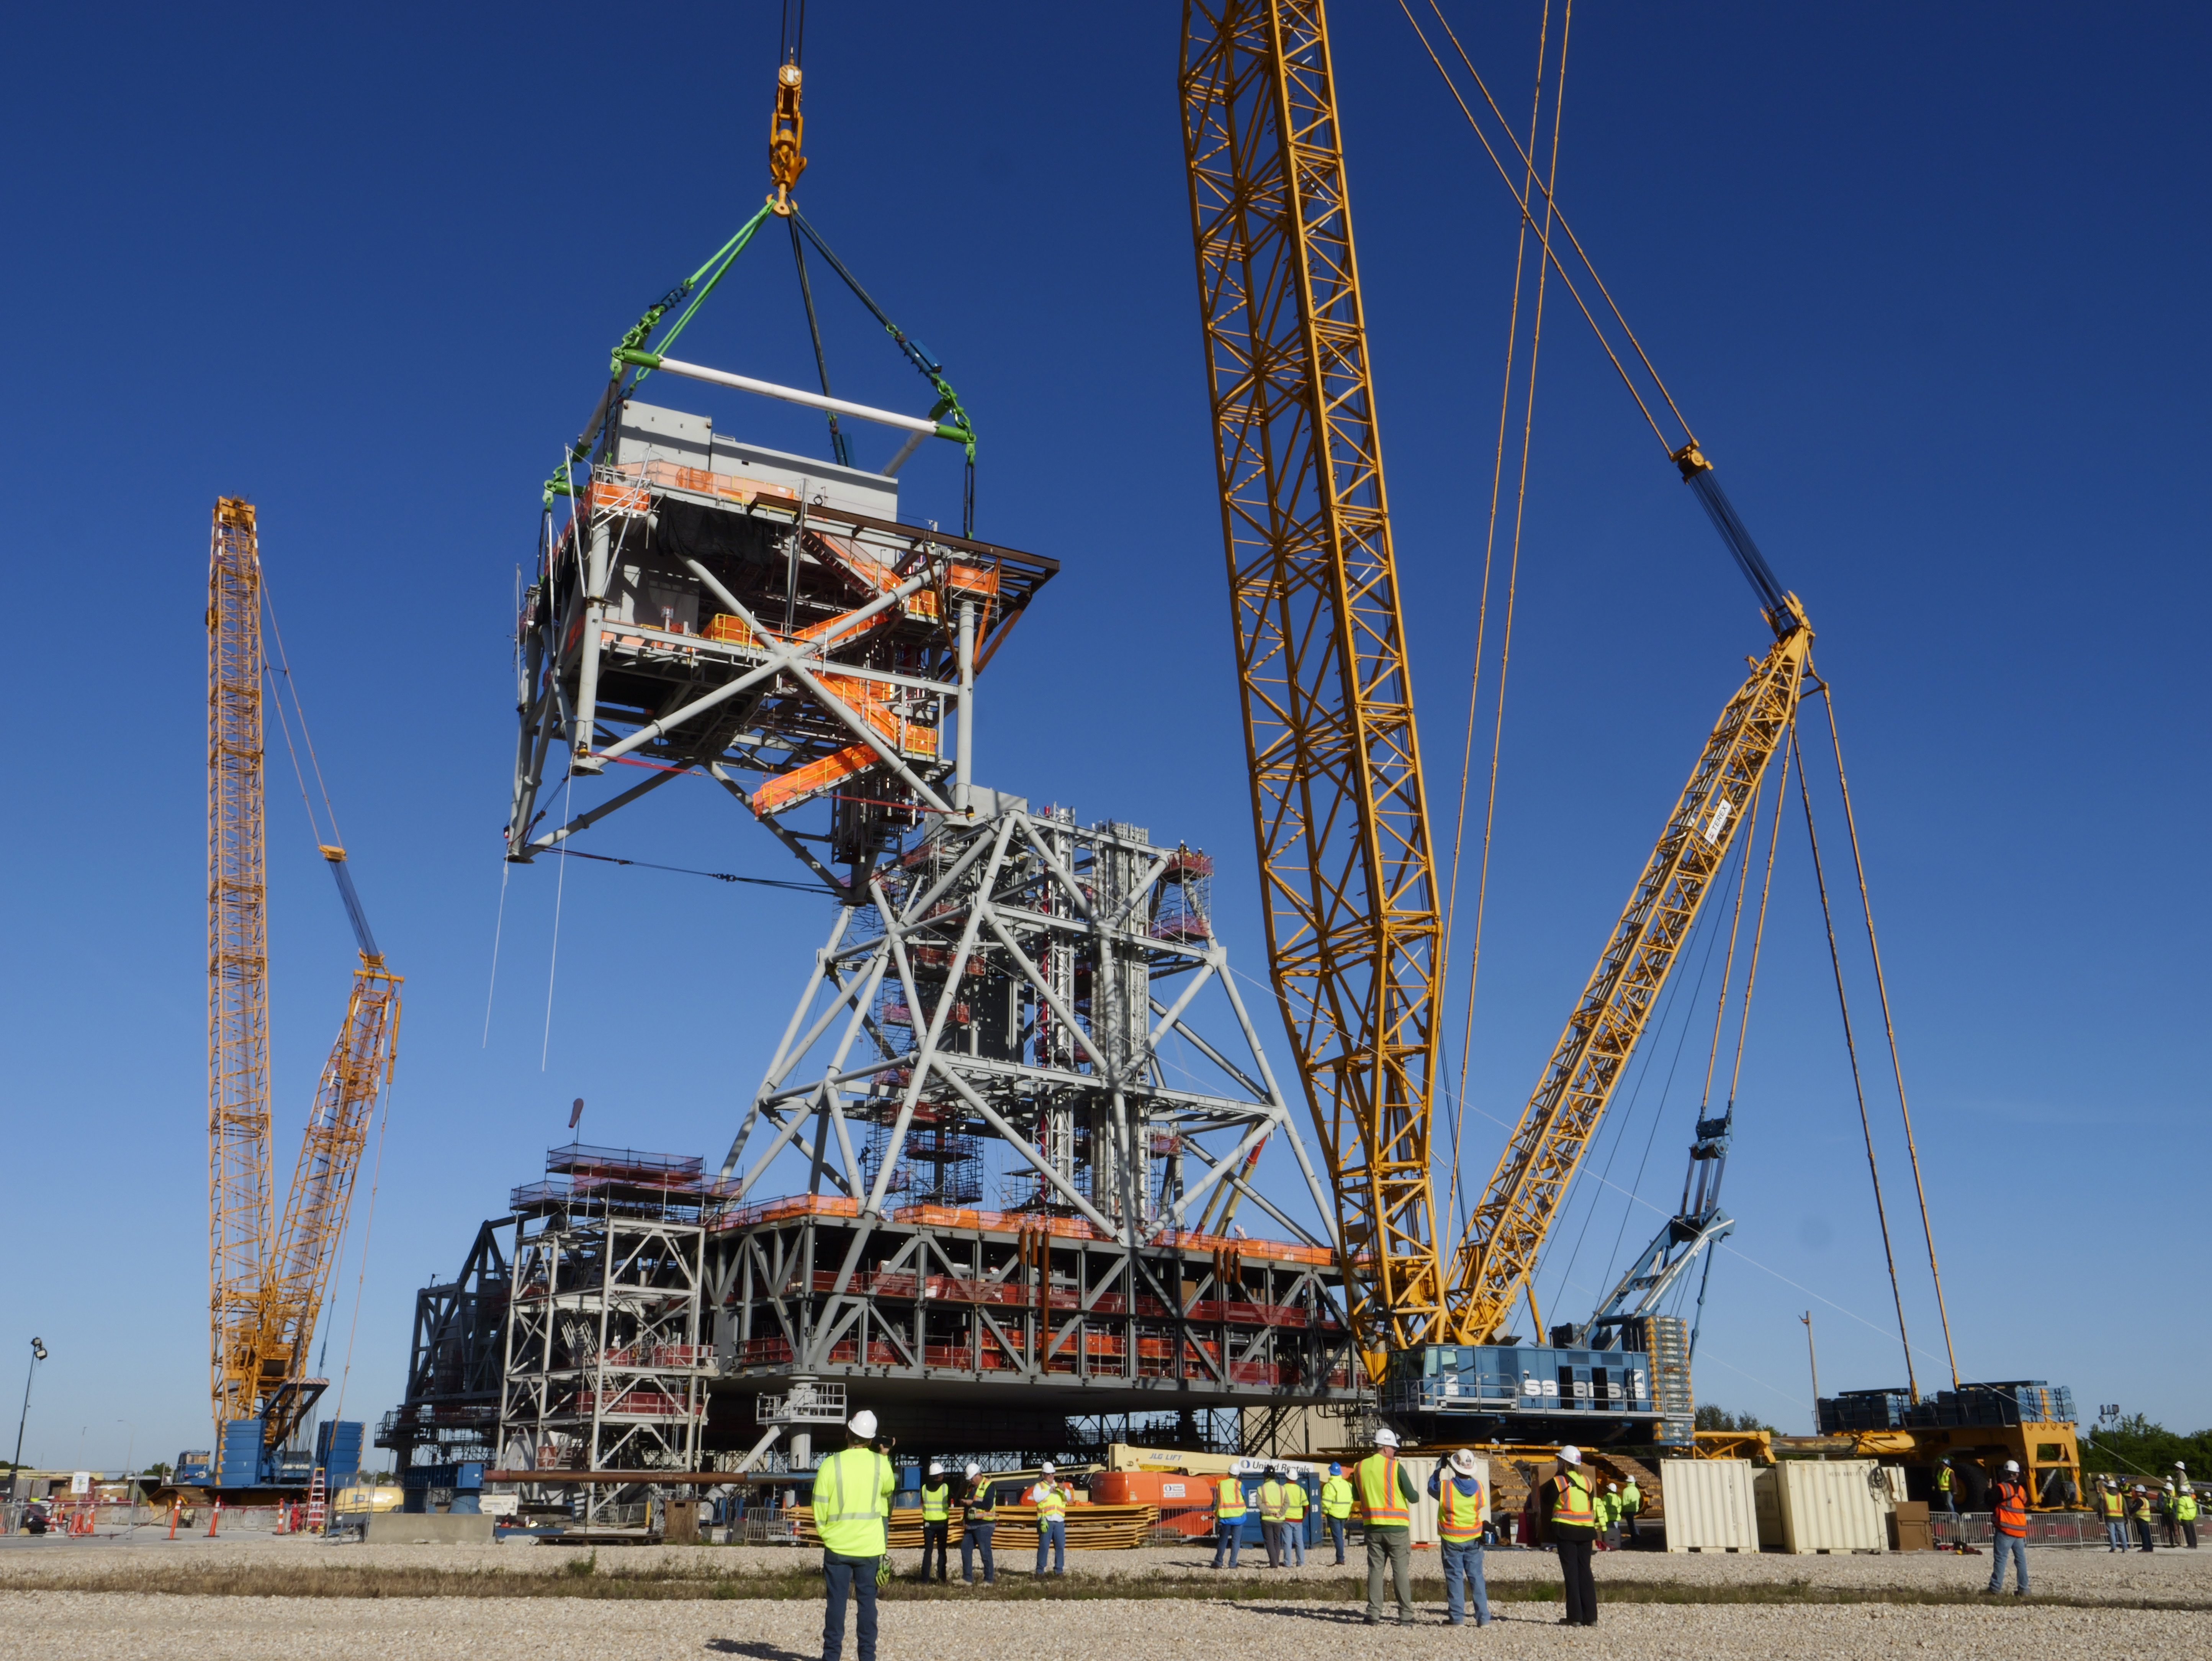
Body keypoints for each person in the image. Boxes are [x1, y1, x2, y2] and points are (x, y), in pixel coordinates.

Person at [815, 1409, 895, 1661]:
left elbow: (819, 1506)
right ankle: (867, 1656)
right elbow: (889, 1489)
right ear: (871, 1440)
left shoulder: (830, 1464)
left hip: (837, 1547)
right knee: (867, 1604)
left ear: (848, 1432)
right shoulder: (880, 1464)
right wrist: (884, 1456)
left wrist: (828, 1536)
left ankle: (831, 1657)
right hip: (869, 1548)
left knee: (836, 1604)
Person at [1356, 1428, 1422, 1627]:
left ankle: (1373, 1615)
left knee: (1375, 1570)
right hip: (1397, 1528)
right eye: (1393, 1448)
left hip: (1372, 1527)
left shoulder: (1359, 1467)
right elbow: (1413, 1497)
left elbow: (1355, 1495)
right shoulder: (1395, 1468)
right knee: (1400, 1571)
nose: (1395, 1452)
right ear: (1385, 1448)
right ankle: (1406, 1616)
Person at [1428, 1449, 1490, 1627]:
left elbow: (1431, 1487)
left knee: (1455, 1577)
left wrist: (1438, 1470)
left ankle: (1457, 1618)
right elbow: (1480, 1505)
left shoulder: (1446, 1487)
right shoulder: (1479, 1487)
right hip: (1473, 1539)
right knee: (1477, 1577)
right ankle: (1484, 1618)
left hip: (1452, 1540)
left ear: (1454, 1468)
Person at [1541, 1445, 1600, 1628]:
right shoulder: (1588, 1482)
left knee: (1571, 1574)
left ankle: (1575, 1617)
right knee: (1585, 1572)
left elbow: (1545, 1499)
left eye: (1560, 1460)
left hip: (1566, 1531)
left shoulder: (1558, 1482)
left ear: (1564, 1463)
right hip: (1586, 1531)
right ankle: (1591, 1617)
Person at [1986, 1460, 2030, 1595]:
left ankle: (1995, 1588)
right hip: (2020, 1531)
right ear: (2017, 1474)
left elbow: (1990, 1501)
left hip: (2005, 1530)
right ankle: (2024, 1589)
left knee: (2001, 1559)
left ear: (2005, 1473)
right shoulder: (2022, 1491)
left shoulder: (2001, 1488)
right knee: (2021, 1560)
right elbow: (2026, 1502)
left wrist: (1989, 1490)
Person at [958, 1463, 996, 1585]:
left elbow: (988, 1505)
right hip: (972, 1525)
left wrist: (971, 1503)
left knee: (985, 1552)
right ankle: (967, 1578)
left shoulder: (989, 1486)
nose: (971, 1481)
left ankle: (989, 1580)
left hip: (985, 1524)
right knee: (965, 1548)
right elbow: (968, 1506)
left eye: (971, 1479)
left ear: (978, 1475)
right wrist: (965, 1521)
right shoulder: (971, 1488)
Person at [1029, 1462, 1068, 1576]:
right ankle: (1040, 1571)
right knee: (1044, 1546)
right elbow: (1037, 1498)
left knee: (1060, 1546)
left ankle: (1059, 1570)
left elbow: (1069, 1498)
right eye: (1049, 1474)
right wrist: (1049, 1492)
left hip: (1059, 1521)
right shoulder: (1039, 1487)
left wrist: (1064, 1490)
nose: (1052, 1476)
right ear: (1043, 1475)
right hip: (1045, 1521)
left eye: (1053, 1474)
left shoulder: (1059, 1487)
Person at [918, 1462, 951, 1582]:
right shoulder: (945, 1488)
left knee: (928, 1551)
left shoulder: (924, 1488)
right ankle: (942, 1578)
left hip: (928, 1524)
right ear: (940, 1475)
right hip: (942, 1524)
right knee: (942, 1551)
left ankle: (925, 1579)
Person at [1211, 1468, 1248, 1569]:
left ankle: (1219, 1562)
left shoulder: (1221, 1484)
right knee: (1236, 1542)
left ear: (1229, 1473)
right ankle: (1233, 1563)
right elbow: (1243, 1496)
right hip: (1239, 1517)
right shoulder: (1240, 1485)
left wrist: (1216, 1512)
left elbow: (1219, 1500)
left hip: (1225, 1517)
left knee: (1223, 1541)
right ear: (1238, 1475)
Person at [1320, 1463, 1354, 1565]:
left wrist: (1325, 1512)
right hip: (1344, 1514)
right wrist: (1347, 1512)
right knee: (1340, 1536)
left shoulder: (1329, 1486)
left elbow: (1326, 1503)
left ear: (1331, 1472)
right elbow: (1351, 1500)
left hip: (1334, 1514)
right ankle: (1340, 1557)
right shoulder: (1348, 1485)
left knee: (1338, 1537)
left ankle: (1340, 1559)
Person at [1258, 1466, 1289, 1568]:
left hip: (1267, 1519)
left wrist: (1268, 1512)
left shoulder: (1261, 1489)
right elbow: (1287, 1503)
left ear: (1265, 1476)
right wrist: (1281, 1513)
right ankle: (1275, 1561)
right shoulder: (1282, 1489)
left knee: (1269, 1542)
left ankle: (1274, 1563)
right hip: (1279, 1520)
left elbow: (1259, 1504)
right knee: (1277, 1541)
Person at [1281, 1469, 1309, 1566]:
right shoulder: (1301, 1490)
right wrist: (1303, 1517)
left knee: (1287, 1542)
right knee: (1299, 1542)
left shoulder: (1283, 1489)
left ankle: (1288, 1563)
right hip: (1298, 1519)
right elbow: (1306, 1506)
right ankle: (1301, 1562)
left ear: (1287, 1477)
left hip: (1286, 1519)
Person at [2096, 1478, 2129, 1551]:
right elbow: (2125, 1508)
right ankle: (2125, 1548)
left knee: (2112, 1533)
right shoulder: (2121, 1496)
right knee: (2122, 1533)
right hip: (2120, 1518)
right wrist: (2127, 1517)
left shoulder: (2104, 1495)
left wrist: (2100, 1516)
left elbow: (2101, 1508)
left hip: (2109, 1517)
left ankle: (2114, 1548)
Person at [2131, 1485, 2158, 1553]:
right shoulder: (2146, 1500)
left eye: (2137, 1492)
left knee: (2143, 1534)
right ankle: (2150, 1548)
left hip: (2141, 1518)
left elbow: (2134, 1509)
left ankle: (2145, 1548)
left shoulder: (2139, 1500)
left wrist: (2129, 1513)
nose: (2136, 1493)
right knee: (2147, 1534)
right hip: (2146, 1519)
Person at [2174, 1479, 2200, 1550]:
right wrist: (2194, 1516)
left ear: (2181, 1493)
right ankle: (2195, 1545)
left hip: (2185, 1517)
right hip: (2191, 1517)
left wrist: (2178, 1518)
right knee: (2192, 1531)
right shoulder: (2190, 1499)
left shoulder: (2182, 1500)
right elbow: (2195, 1508)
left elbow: (2180, 1510)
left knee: (2188, 1531)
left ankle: (2190, 1545)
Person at [1620, 1474, 1642, 1546]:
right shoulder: (1637, 1490)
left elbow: (1624, 1502)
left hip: (1628, 1510)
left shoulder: (1626, 1491)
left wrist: (1622, 1511)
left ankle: (1634, 1541)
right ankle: (1637, 1534)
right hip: (1635, 1509)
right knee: (1632, 1523)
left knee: (1631, 1526)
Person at [2163, 1481, 2183, 1549]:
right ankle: (2171, 1542)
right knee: (2170, 1529)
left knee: (2175, 1529)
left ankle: (2177, 1542)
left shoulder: (2171, 1496)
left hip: (2172, 1514)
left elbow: (2174, 1505)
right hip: (2168, 1513)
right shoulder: (2164, 1495)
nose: (2170, 1491)